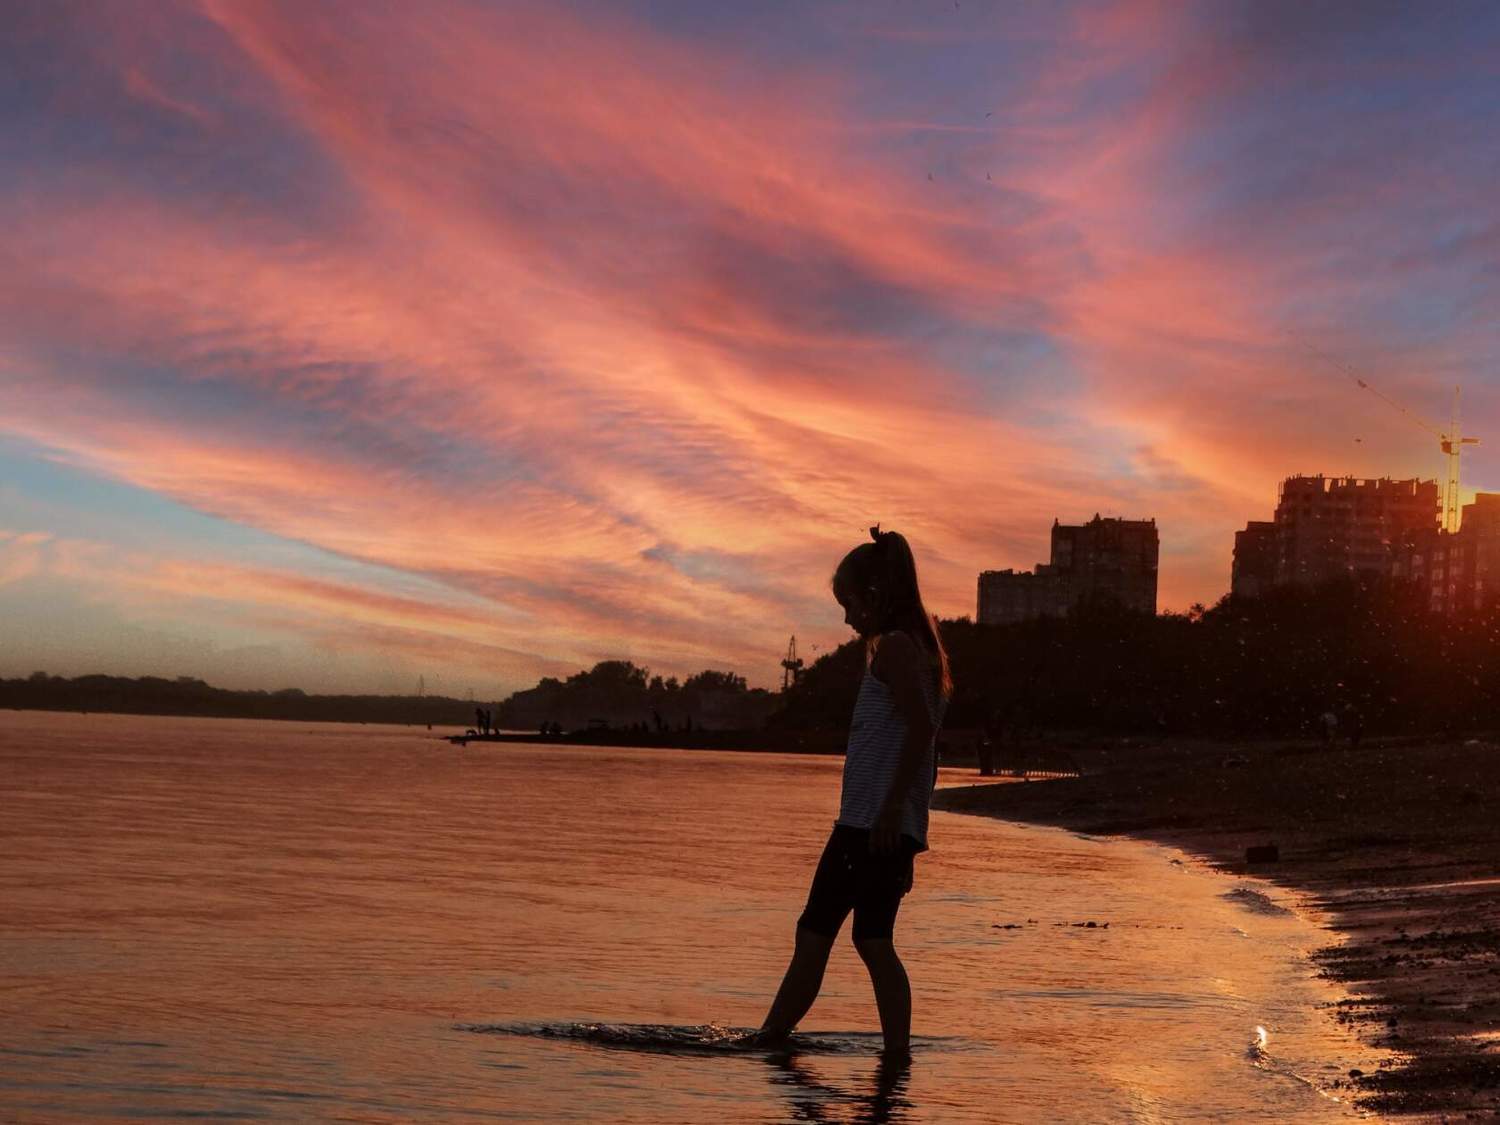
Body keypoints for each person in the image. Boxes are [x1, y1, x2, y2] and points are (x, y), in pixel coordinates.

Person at [744, 525, 951, 1059]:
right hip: (882, 826)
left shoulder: (897, 649)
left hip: (868, 826)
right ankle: (894, 1060)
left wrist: (893, 816)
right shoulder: (914, 648)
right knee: (868, 939)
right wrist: (910, 834)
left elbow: (922, 730)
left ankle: (770, 1041)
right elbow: (926, 746)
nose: (847, 618)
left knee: (822, 933)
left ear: (876, 596)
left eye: (850, 604)